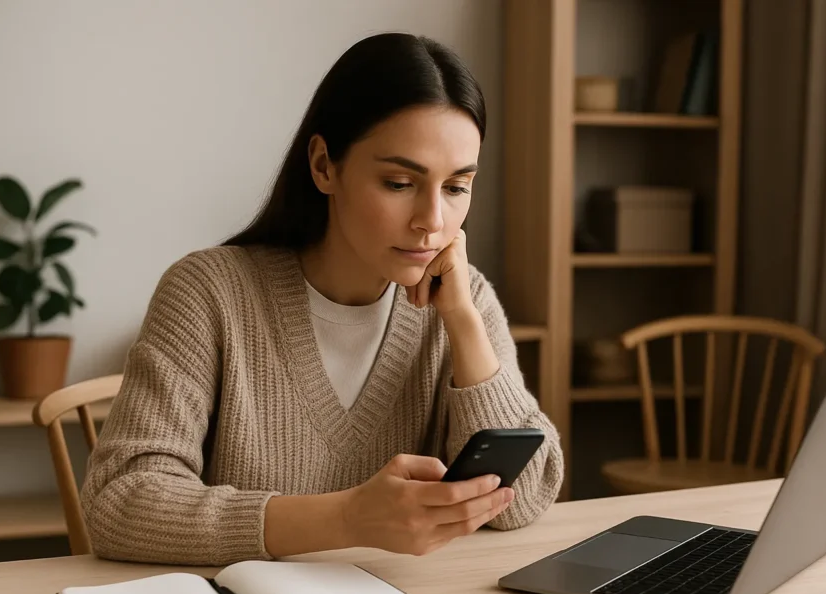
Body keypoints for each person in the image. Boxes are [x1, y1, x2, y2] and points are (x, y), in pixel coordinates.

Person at [81, 32, 564, 566]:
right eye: (401, 182)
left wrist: (464, 324)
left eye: (456, 187)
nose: (433, 220)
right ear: (324, 166)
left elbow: (527, 497)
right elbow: (120, 503)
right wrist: (347, 519)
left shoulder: (464, 297)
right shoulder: (208, 292)